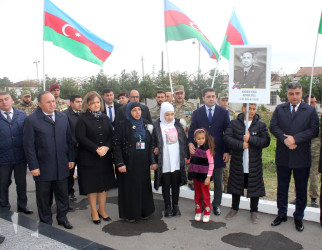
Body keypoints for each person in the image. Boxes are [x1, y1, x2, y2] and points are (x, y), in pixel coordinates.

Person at [270, 82, 319, 232]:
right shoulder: (280, 109)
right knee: (282, 187)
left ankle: (299, 217)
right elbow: (273, 127)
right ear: (287, 94)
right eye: (291, 93)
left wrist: (295, 139)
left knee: (301, 189)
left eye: (297, 93)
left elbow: (314, 130)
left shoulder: (310, 110)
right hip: (283, 155)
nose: (294, 96)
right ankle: (281, 214)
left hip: (301, 156)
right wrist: (285, 140)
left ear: (301, 93)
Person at [23, 91, 74, 229]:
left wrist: (70, 158)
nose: (52, 104)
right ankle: (46, 222)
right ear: (39, 104)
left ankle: (62, 218)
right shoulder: (32, 120)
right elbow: (29, 146)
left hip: (62, 165)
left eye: (53, 101)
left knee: (63, 195)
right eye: (48, 102)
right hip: (43, 167)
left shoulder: (62, 117)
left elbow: (69, 140)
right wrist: (33, 166)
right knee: (44, 198)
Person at [224, 103, 270, 224]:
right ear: (244, 108)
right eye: (250, 109)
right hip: (238, 162)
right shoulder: (234, 123)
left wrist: (251, 139)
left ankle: (254, 211)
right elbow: (227, 138)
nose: (252, 111)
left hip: (254, 163)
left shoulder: (261, 125)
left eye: (254, 109)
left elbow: (266, 141)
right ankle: (234, 208)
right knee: (236, 186)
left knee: (254, 187)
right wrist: (240, 144)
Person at [75, 91, 117, 225]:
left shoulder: (104, 117)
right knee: (92, 186)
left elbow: (111, 135)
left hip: (104, 157)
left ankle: (102, 210)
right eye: (92, 103)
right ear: (87, 104)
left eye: (98, 102)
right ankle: (94, 212)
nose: (96, 105)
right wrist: (95, 149)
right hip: (89, 157)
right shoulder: (82, 118)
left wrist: (106, 147)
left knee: (103, 186)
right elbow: (80, 137)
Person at [188, 88, 230, 216]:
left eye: (213, 96)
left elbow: (228, 132)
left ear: (216, 97)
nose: (211, 98)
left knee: (218, 181)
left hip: (217, 153)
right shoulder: (197, 113)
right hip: (201, 155)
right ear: (203, 98)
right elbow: (191, 130)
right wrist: (190, 143)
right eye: (208, 96)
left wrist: (227, 151)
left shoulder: (223, 112)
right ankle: (200, 205)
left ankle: (216, 205)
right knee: (201, 182)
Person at [113, 101, 156, 222]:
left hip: (143, 163)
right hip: (129, 163)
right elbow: (116, 145)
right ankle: (131, 214)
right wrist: (120, 163)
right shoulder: (122, 125)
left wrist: (153, 159)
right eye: (134, 110)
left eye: (139, 110)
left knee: (143, 187)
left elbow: (152, 142)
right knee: (131, 188)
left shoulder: (146, 124)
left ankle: (144, 211)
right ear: (129, 112)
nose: (137, 113)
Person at [152, 102, 188, 217]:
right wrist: (153, 159)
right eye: (167, 114)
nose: (170, 117)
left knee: (175, 184)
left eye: (172, 114)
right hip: (165, 161)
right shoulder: (157, 127)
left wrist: (186, 155)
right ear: (162, 114)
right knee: (166, 184)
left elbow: (184, 142)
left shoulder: (178, 126)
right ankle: (167, 206)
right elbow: (152, 145)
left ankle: (175, 206)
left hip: (176, 161)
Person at [0, 92, 33, 214]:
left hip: (20, 156)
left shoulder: (22, 115)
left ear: (12, 100)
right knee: (3, 183)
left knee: (21, 183)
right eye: (1, 100)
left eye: (6, 99)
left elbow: (27, 133)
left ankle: (22, 205)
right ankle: (3, 207)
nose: (4, 102)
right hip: (3, 157)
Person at [188, 128, 215, 223]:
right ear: (195, 139)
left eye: (203, 138)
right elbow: (191, 160)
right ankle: (198, 211)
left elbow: (211, 164)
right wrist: (187, 159)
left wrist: (208, 177)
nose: (201, 140)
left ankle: (207, 212)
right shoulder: (194, 150)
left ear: (205, 138)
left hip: (204, 178)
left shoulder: (208, 151)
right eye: (198, 138)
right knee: (197, 195)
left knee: (206, 195)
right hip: (196, 176)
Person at [173, 85, 196, 190]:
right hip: (174, 138)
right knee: (176, 159)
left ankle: (190, 180)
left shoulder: (191, 106)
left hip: (188, 137)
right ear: (174, 95)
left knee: (190, 159)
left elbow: (195, 120)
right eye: (177, 93)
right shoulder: (170, 106)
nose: (179, 95)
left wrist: (187, 127)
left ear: (184, 94)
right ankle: (178, 179)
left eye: (181, 93)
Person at [63, 95, 82, 202]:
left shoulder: (82, 114)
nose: (80, 103)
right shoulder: (65, 115)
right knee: (70, 173)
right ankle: (69, 192)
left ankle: (84, 189)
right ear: (71, 103)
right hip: (71, 149)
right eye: (77, 102)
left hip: (82, 148)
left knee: (83, 171)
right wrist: (76, 142)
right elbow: (67, 132)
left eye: (81, 101)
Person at [217, 92, 236, 193]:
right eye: (223, 100)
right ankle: (218, 186)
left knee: (227, 166)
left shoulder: (232, 113)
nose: (225, 102)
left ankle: (227, 187)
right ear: (218, 101)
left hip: (228, 143)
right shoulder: (216, 112)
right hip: (218, 143)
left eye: (226, 100)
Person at [304, 95, 320, 208]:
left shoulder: (319, 116)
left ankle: (314, 198)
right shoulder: (301, 116)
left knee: (314, 174)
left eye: (314, 102)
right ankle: (299, 196)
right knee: (299, 175)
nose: (313, 105)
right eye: (311, 102)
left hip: (316, 150)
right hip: (302, 150)